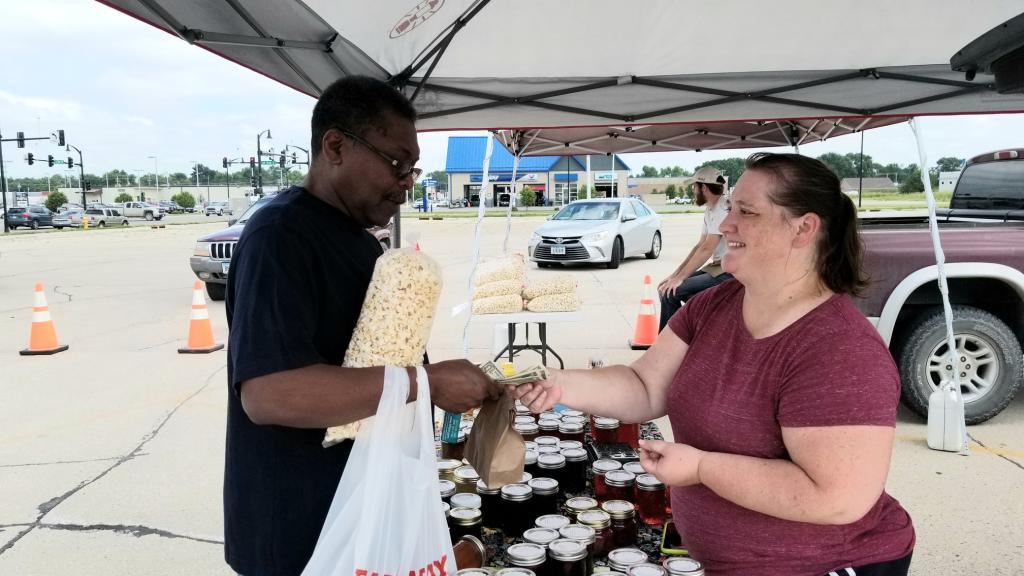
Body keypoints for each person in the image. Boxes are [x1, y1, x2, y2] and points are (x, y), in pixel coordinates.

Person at [512, 153, 915, 576]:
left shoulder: (838, 349)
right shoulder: (714, 306)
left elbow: (837, 498)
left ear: (803, 229)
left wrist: (703, 468)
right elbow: (644, 384)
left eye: (746, 212)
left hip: (827, 564)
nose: (726, 225)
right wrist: (557, 382)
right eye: (729, 209)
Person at [224, 76, 502, 576]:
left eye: (414, 168)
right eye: (397, 163)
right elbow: (269, 395)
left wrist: (430, 388)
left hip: (361, 512)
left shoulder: (357, 239)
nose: (408, 181)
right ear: (335, 146)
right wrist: (425, 383)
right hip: (299, 529)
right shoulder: (280, 236)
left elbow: (374, 363)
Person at [657, 166, 733, 331]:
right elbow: (699, 245)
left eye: (694, 186)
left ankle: (668, 347)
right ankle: (682, 341)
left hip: (729, 270)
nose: (693, 190)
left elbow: (707, 249)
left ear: (703, 188)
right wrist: (675, 275)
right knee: (668, 288)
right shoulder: (711, 208)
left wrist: (679, 279)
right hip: (718, 267)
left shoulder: (723, 208)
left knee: (670, 293)